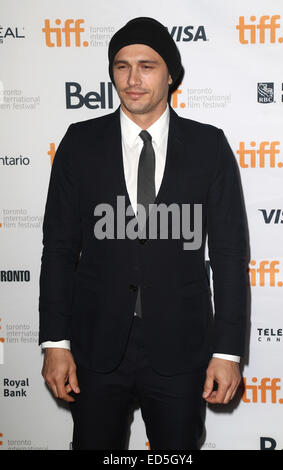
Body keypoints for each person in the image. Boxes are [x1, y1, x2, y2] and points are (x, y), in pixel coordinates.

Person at [39, 17, 249, 450]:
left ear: (170, 73)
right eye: (122, 66)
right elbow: (58, 250)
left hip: (181, 345)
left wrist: (227, 353)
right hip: (95, 345)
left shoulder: (209, 146)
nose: (133, 79)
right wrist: (55, 342)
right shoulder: (80, 143)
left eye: (147, 66)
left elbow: (229, 256)